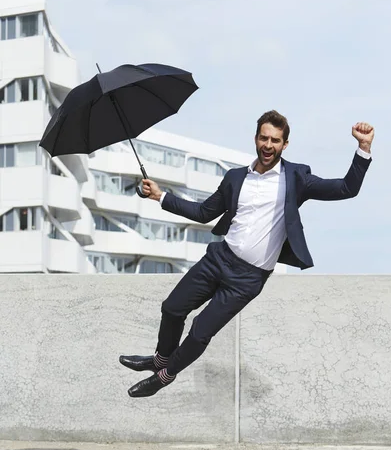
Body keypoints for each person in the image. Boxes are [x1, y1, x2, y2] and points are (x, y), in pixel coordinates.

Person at [120, 110, 374, 397]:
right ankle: (160, 359)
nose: (268, 145)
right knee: (172, 308)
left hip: (247, 279)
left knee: (200, 331)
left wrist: (363, 148)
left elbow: (345, 188)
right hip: (218, 259)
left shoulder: (297, 177)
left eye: (275, 140)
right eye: (264, 138)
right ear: (255, 138)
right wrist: (161, 196)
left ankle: (165, 375)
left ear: (285, 145)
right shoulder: (235, 178)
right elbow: (204, 212)